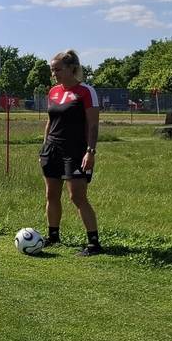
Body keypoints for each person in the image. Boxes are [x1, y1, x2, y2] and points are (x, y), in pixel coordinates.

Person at [40, 49, 102, 256]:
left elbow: (93, 125)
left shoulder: (86, 91)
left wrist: (90, 151)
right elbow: (50, 121)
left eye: (57, 69)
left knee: (77, 197)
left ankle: (94, 244)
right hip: (52, 149)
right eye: (52, 70)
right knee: (51, 195)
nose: (54, 74)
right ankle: (53, 236)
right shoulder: (53, 92)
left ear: (71, 68)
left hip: (75, 151)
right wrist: (44, 147)